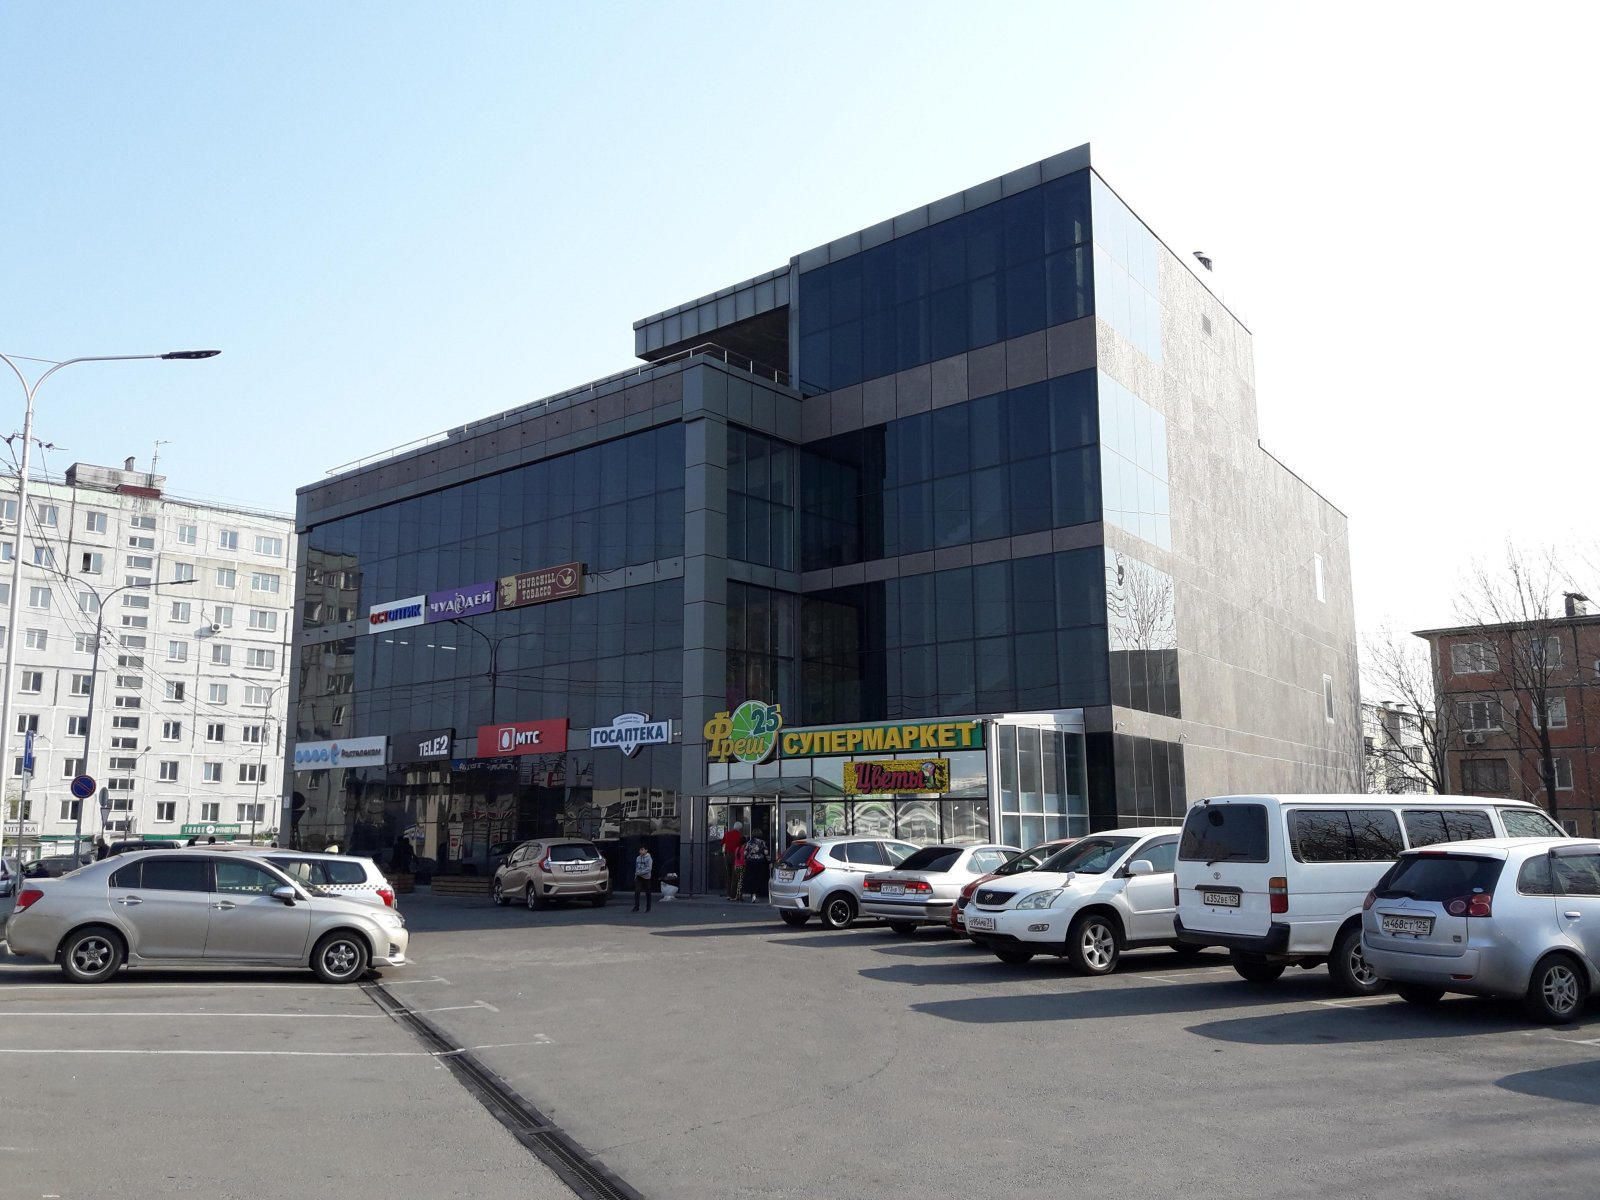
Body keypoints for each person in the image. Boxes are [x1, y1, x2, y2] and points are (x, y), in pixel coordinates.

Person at [721, 821, 745, 901]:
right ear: (740, 829)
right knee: (735, 876)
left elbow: (722, 843)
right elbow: (741, 846)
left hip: (727, 855)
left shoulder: (727, 834)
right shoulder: (740, 836)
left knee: (729, 875)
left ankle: (728, 894)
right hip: (736, 856)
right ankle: (733, 895)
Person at [743, 830, 770, 901]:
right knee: (759, 877)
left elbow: (745, 853)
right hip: (760, 861)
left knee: (751, 877)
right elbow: (766, 852)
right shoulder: (762, 842)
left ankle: (752, 893)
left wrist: (745, 859)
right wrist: (769, 860)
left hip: (750, 861)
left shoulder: (749, 842)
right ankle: (758, 893)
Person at [632, 844, 654, 913]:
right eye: (640, 850)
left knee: (648, 892)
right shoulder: (638, 858)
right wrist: (636, 875)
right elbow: (637, 867)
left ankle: (648, 907)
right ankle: (636, 907)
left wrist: (641, 873)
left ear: (646, 850)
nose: (640, 851)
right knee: (637, 891)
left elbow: (649, 869)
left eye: (642, 850)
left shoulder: (649, 858)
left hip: (646, 877)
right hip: (638, 876)